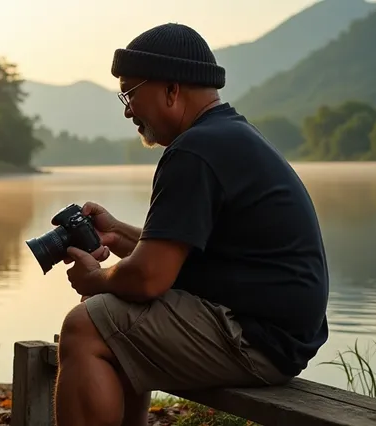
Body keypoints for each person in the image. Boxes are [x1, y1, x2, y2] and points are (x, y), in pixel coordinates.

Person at [53, 23, 330, 426]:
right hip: (278, 334)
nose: (128, 110)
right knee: (109, 316)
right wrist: (116, 233)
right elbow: (171, 253)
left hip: (258, 339)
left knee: (86, 325)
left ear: (171, 89)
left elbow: (149, 278)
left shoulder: (196, 150)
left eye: (130, 93)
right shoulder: (225, 135)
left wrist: (97, 278)